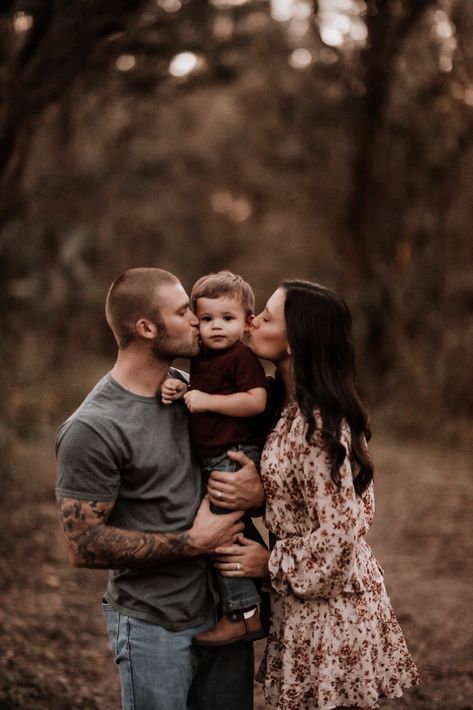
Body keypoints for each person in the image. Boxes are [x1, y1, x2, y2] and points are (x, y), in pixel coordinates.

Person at [55, 267, 265, 710]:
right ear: (146, 328)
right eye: (185, 310)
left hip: (222, 611)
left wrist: (256, 489)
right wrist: (193, 542)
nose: (198, 319)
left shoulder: (190, 391)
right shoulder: (94, 428)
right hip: (155, 625)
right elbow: (84, 545)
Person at [211, 280, 421, 710]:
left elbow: (342, 538)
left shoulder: (321, 427)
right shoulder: (289, 406)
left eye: (266, 317)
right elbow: (316, 500)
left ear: (295, 341)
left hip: (331, 617)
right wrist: (262, 495)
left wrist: (269, 563)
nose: (252, 321)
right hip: (305, 608)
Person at [161, 270, 268, 646]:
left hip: (232, 456)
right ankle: (262, 591)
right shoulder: (202, 355)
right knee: (232, 529)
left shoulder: (242, 356)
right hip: (211, 458)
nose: (216, 327)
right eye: (207, 319)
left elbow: (256, 401)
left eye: (227, 318)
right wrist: (183, 387)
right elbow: (201, 391)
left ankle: (243, 614)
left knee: (219, 534)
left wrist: (205, 401)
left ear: (247, 321)